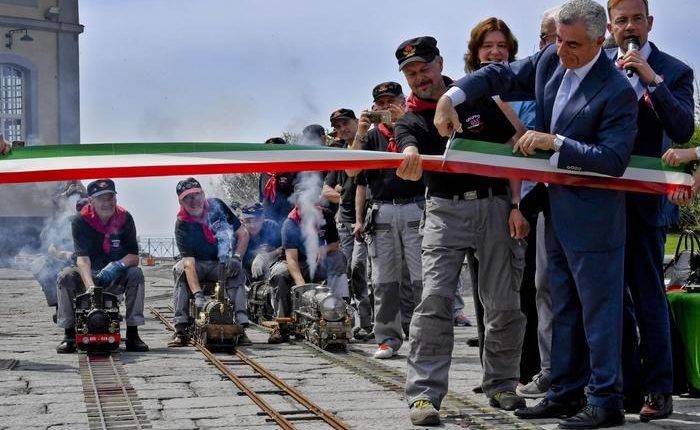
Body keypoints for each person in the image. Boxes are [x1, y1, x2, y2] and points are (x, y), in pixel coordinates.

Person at [433, 0, 638, 427]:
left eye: (574, 45)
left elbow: (614, 158)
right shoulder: (550, 59)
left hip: (595, 218)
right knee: (559, 305)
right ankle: (563, 391)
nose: (562, 53)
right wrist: (450, 97)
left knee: (599, 312)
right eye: (558, 41)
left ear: (602, 41)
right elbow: (498, 74)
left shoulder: (616, 90)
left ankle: (606, 399)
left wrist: (557, 143)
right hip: (555, 210)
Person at [391, 36, 528, 425]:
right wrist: (410, 154)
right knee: (434, 300)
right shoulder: (410, 118)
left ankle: (502, 384)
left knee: (503, 302)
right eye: (411, 73)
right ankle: (424, 396)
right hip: (443, 213)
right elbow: (406, 144)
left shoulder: (475, 98)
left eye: (424, 69)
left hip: (495, 206)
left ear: (440, 65)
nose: (419, 78)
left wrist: (516, 205)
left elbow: (513, 148)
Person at [607, 0, 695, 421]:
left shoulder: (673, 70)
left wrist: (651, 80)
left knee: (647, 295)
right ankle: (625, 385)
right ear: (610, 25)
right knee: (611, 298)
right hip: (602, 200)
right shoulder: (598, 66)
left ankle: (660, 388)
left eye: (636, 19)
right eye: (620, 20)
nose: (629, 27)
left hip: (646, 201)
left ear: (649, 23)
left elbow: (680, 128)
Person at [463, 16, 544, 387]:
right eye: (487, 47)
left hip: (520, 197)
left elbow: (525, 138)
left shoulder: (527, 88)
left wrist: (500, 104)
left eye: (501, 46)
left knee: (518, 286)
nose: (494, 52)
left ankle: (523, 368)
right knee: (481, 290)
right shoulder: (464, 91)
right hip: (473, 202)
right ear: (475, 53)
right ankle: (490, 369)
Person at [346, 81, 425, 358]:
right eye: (380, 104)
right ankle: (388, 338)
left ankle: (422, 335)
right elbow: (352, 172)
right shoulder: (369, 136)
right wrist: (359, 132)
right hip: (382, 209)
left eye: (391, 102)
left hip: (416, 206)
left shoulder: (415, 123)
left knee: (421, 278)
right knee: (383, 280)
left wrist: (406, 122)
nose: (386, 108)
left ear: (403, 101)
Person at [55, 179, 149, 353]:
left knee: (136, 273)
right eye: (101, 199)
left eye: (110, 197)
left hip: (116, 274)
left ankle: (133, 334)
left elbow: (134, 256)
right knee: (65, 276)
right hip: (88, 272)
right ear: (91, 201)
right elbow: (82, 259)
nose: (107, 203)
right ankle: (69, 335)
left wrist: (117, 265)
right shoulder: (80, 221)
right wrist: (91, 287)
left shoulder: (125, 218)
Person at [169, 177, 251, 347]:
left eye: (196, 195)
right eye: (188, 198)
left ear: (203, 194)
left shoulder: (218, 206)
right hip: (197, 264)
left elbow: (243, 234)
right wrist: (198, 294)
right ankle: (180, 328)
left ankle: (241, 325)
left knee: (237, 272)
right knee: (179, 270)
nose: (194, 201)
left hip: (218, 263)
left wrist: (237, 257)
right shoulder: (182, 224)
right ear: (181, 201)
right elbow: (189, 263)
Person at [323, 108, 373, 340]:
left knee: (367, 272)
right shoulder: (340, 154)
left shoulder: (370, 144)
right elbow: (326, 189)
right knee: (352, 273)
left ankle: (372, 321)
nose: (342, 129)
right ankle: (360, 323)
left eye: (346, 123)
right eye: (338, 126)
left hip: (372, 219)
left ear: (356, 122)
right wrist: (342, 197)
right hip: (345, 223)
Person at [267, 202, 348, 343]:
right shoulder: (290, 224)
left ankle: (339, 311)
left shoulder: (327, 215)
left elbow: (335, 244)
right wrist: (303, 289)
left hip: (317, 262)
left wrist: (325, 249)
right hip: (292, 262)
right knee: (279, 274)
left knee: (339, 258)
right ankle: (281, 325)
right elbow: (292, 260)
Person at [31, 181, 87, 322]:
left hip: (90, 261)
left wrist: (80, 188)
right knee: (40, 264)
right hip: (67, 262)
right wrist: (64, 254)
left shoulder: (92, 217)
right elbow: (51, 247)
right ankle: (59, 305)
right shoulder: (61, 221)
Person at [259, 137, 298, 225]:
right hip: (269, 224)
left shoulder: (293, 170)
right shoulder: (264, 173)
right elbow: (262, 199)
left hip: (289, 221)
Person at [239, 202, 282, 282]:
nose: (252, 225)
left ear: (263, 218)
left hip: (272, 270)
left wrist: (266, 256)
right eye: (248, 221)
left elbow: (285, 248)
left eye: (257, 220)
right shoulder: (239, 234)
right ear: (242, 221)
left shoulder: (271, 227)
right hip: (247, 275)